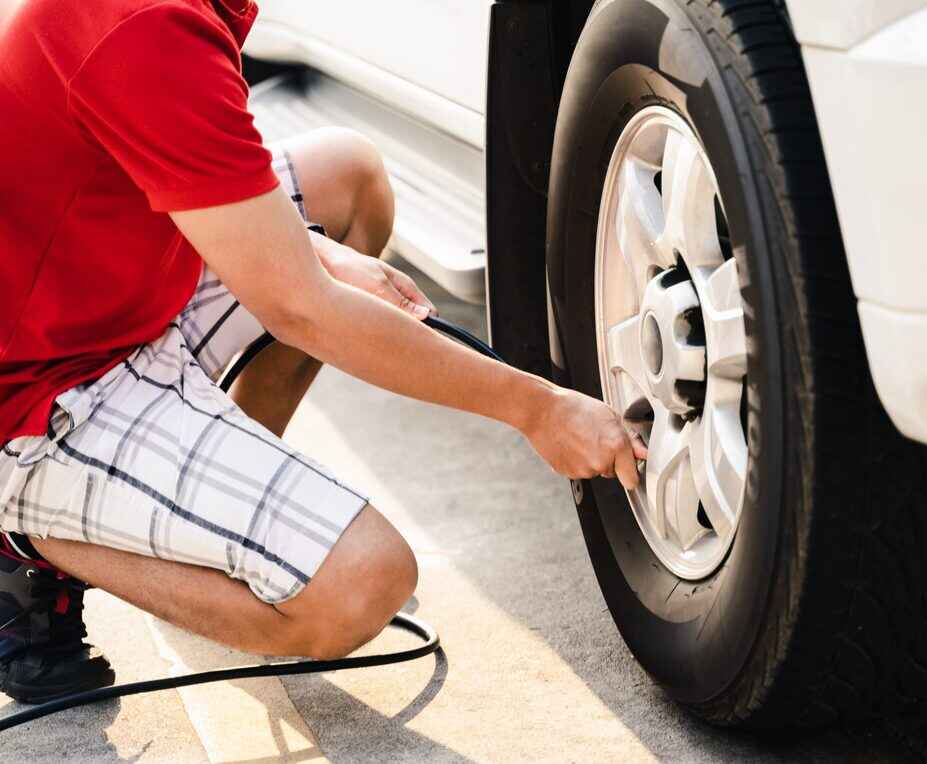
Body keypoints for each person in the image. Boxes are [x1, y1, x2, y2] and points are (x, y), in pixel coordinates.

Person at [0, 0, 645, 703]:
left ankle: (207, 524)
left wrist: (308, 250)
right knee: (361, 584)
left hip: (98, 301)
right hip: (40, 392)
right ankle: (25, 534)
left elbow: (164, 157)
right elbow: (303, 311)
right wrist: (538, 408)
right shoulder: (142, 26)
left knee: (347, 176)